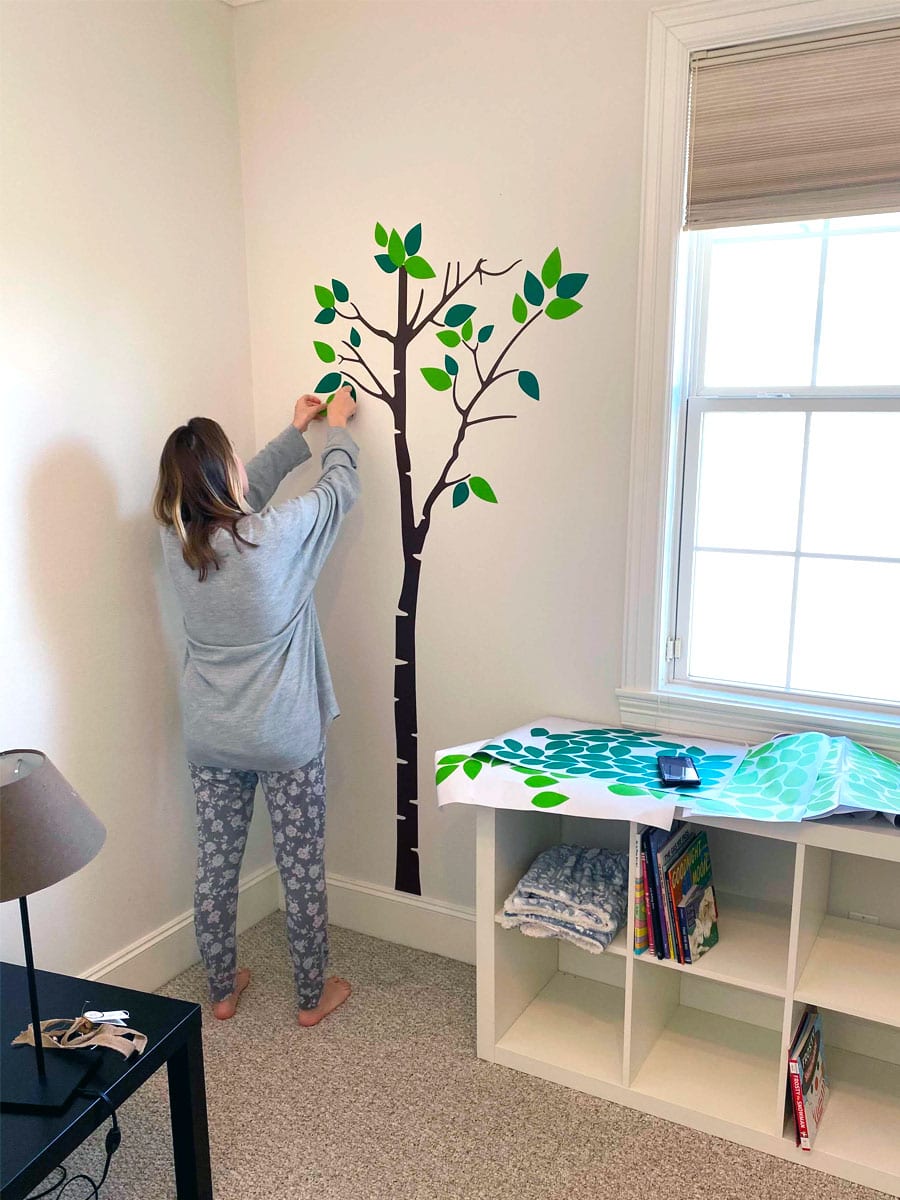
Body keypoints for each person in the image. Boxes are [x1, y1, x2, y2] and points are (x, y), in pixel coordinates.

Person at [153, 385, 359, 1027]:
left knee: (216, 863)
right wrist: (337, 432)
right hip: (286, 736)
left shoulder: (176, 542)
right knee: (301, 866)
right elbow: (337, 493)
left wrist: (292, 432)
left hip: (213, 736)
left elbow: (233, 505)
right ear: (227, 472)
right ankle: (308, 998)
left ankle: (220, 990)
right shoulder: (276, 538)